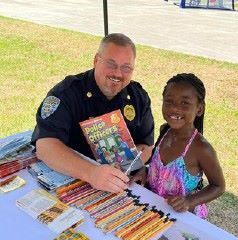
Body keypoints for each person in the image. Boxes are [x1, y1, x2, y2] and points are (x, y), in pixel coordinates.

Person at [31, 33, 154, 193]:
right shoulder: (67, 93)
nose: (117, 74)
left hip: (118, 186)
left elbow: (147, 145)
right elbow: (45, 146)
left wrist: (127, 166)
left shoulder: (138, 98)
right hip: (71, 180)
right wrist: (92, 173)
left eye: (126, 68)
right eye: (111, 64)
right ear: (96, 60)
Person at [131, 73, 225, 218]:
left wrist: (189, 201)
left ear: (199, 109)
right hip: (154, 207)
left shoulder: (201, 148)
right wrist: (146, 171)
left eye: (184, 103)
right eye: (169, 101)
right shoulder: (164, 131)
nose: (174, 108)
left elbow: (218, 186)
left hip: (182, 217)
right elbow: (162, 170)